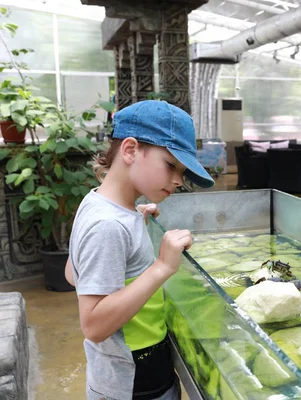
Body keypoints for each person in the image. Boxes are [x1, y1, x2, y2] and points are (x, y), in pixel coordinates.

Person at [64, 100, 215, 400]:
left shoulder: (101, 203)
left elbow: (73, 273)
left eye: (183, 171)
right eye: (171, 165)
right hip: (132, 386)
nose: (179, 181)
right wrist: (162, 267)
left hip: (138, 375)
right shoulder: (108, 225)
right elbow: (93, 325)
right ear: (131, 150)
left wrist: (135, 220)